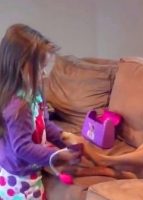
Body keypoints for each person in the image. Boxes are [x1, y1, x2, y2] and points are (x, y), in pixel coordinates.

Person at [0, 24, 81, 200]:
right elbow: (22, 148)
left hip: (30, 169)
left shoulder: (34, 92)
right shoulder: (17, 107)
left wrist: (63, 135)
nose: (44, 73)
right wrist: (57, 156)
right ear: (20, 67)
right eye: (40, 67)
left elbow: (45, 123)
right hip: (19, 177)